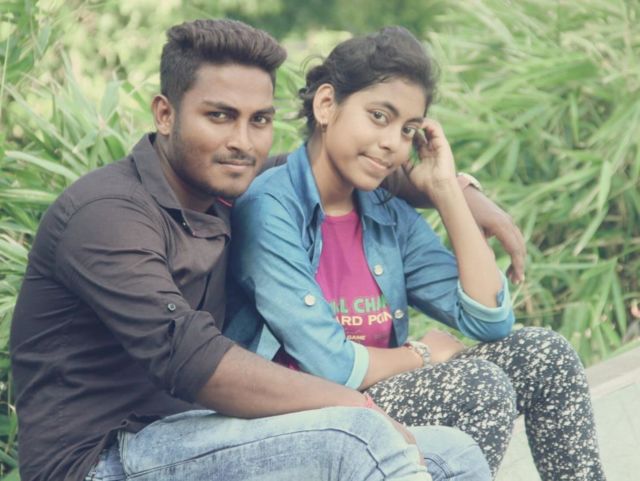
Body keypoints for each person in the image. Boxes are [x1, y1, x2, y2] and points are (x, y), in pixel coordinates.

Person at [8, 18, 522, 481]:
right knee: (355, 435)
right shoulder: (108, 214)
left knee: (454, 454)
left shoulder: (225, 181)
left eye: (259, 120)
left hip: (193, 434)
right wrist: (355, 406)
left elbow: (335, 168)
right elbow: (189, 358)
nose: (244, 142)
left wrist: (458, 192)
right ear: (165, 114)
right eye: (220, 116)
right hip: (100, 458)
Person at [226, 26, 607, 480]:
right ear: (326, 105)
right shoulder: (271, 209)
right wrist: (422, 354)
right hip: (308, 415)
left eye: (408, 130)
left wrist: (446, 190)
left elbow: (490, 321)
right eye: (379, 117)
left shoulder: (385, 211)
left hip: (382, 397)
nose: (393, 143)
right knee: (478, 387)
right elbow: (332, 366)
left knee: (546, 355)